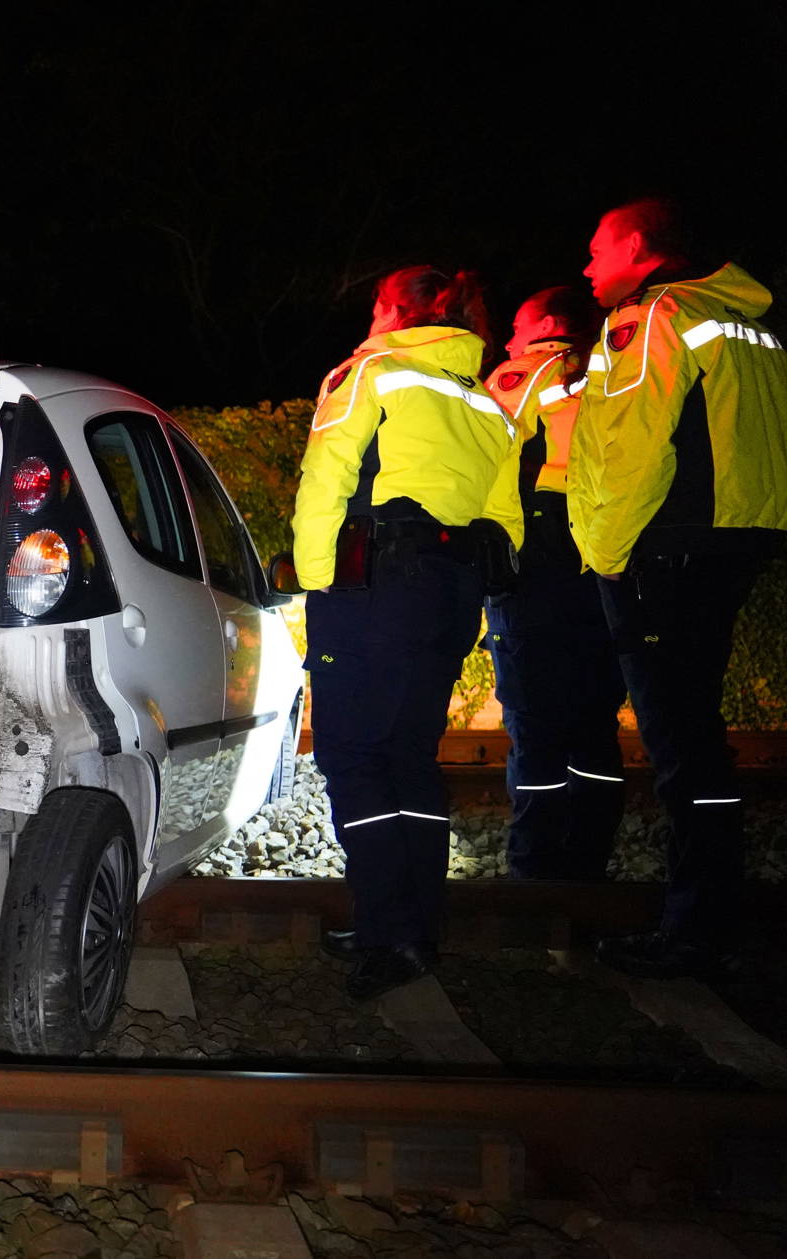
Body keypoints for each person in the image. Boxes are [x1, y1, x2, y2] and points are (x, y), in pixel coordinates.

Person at [570, 197, 787, 977]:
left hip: (665, 549)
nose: (588, 265)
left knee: (680, 746)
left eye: (597, 249)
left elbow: (631, 446)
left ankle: (695, 929)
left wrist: (602, 551)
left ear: (636, 245)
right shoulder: (749, 317)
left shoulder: (657, 315)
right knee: (695, 736)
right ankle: (708, 913)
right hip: (732, 540)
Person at [292, 266, 522, 1000]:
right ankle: (415, 927)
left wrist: (314, 575)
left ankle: (388, 929)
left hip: (373, 585)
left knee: (354, 755)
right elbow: (504, 521)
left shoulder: (372, 374)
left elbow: (326, 477)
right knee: (410, 759)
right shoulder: (485, 401)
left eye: (374, 304)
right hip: (449, 591)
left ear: (396, 312)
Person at [482, 288, 626, 880]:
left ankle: (534, 868)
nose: (510, 338)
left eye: (516, 325)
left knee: (534, 715)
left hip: (535, 551)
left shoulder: (518, 378)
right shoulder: (616, 364)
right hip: (606, 547)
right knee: (595, 714)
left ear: (541, 327)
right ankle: (588, 860)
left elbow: (483, 458)